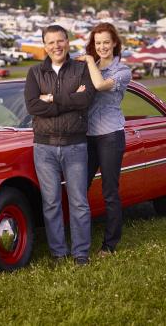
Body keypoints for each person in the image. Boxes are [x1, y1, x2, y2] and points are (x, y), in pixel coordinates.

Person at [24, 24, 95, 266]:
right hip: (43, 148)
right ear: (44, 45)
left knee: (78, 202)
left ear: (68, 41)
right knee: (51, 202)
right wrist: (69, 100)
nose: (56, 46)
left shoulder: (81, 69)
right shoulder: (35, 72)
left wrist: (52, 99)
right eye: (51, 42)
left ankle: (81, 254)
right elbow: (33, 106)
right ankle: (58, 253)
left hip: (75, 145)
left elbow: (85, 100)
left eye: (60, 41)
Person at [75, 22, 131, 256]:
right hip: (87, 136)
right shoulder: (90, 65)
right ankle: (78, 241)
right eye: (97, 43)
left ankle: (109, 244)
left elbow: (99, 85)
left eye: (106, 42)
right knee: (79, 188)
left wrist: (88, 61)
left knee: (109, 191)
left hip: (110, 135)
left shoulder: (122, 71)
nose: (102, 47)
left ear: (115, 43)